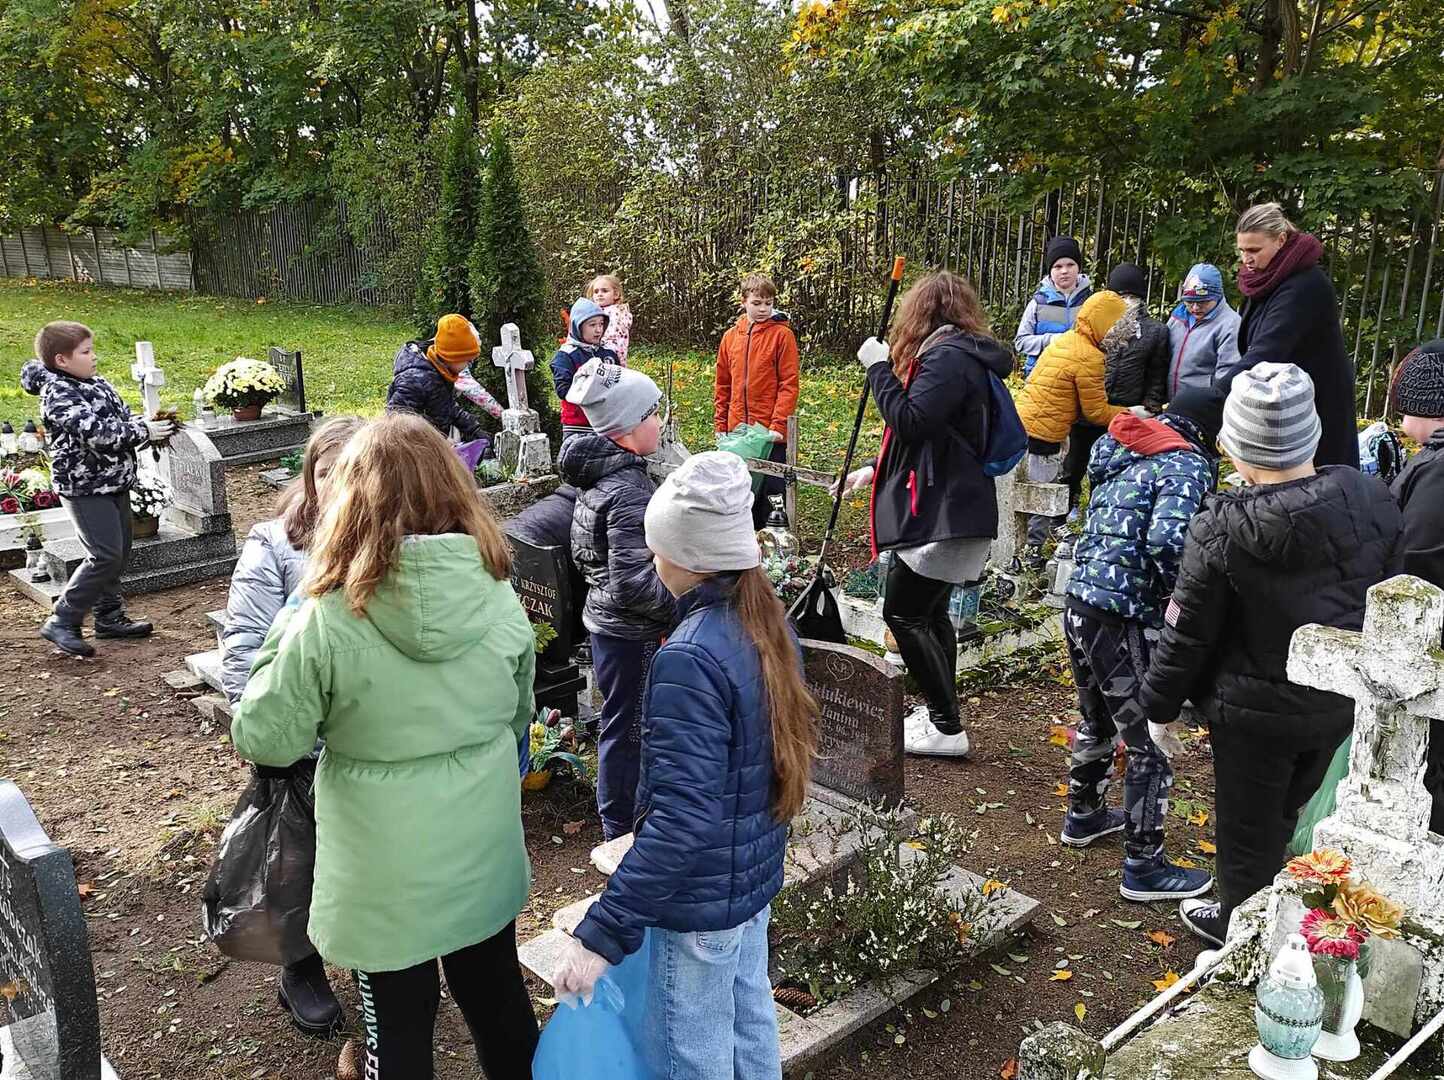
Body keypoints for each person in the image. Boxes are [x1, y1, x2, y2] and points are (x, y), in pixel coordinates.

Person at [230, 412, 539, 1080]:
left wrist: (291, 624)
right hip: (480, 846)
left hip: (382, 868)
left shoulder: (327, 614)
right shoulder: (497, 589)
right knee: (498, 1003)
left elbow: (265, 737)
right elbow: (519, 712)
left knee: (396, 1028)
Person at [552, 451, 818, 1080]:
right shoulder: (765, 622)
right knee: (751, 1023)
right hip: (747, 884)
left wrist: (599, 935)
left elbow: (682, 819)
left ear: (693, 559)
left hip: (698, 903)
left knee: (689, 1057)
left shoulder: (690, 658)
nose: (651, 560)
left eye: (657, 548)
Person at [1139, 364, 1401, 947]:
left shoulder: (1224, 528)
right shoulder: (1369, 498)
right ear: (1312, 436)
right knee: (1299, 805)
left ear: (1233, 446)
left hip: (1253, 716)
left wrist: (1158, 707)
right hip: (1338, 702)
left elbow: (1188, 630)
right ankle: (1295, 904)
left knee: (1245, 830)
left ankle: (1242, 930)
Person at [216, 417, 362, 1036]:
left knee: (362, 855)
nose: (337, 487)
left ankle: (370, 950)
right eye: (325, 473)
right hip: (301, 744)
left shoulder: (395, 538)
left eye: (351, 473)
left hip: (368, 739)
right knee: (297, 858)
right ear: (309, 476)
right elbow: (243, 653)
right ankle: (299, 965)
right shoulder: (276, 544)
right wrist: (294, 727)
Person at [1059, 386, 1224, 903]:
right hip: (1123, 616)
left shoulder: (1131, 450)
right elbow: (1169, 542)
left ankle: (1084, 814)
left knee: (1097, 720)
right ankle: (1144, 866)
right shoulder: (1185, 463)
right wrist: (1185, 604)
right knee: (1149, 736)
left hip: (1079, 605)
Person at [840, 271, 1013, 758]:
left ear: (921, 312)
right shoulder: (959, 354)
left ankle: (947, 726)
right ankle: (944, 712)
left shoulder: (948, 358)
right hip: (948, 504)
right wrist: (874, 469)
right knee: (930, 612)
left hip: (945, 513)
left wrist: (878, 369)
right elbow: (936, 436)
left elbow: (911, 422)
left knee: (903, 611)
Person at [558, 359, 677, 839]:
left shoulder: (603, 475)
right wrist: (681, 612)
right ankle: (622, 829)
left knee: (620, 721)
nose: (660, 422)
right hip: (631, 632)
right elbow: (631, 582)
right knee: (630, 728)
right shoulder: (629, 490)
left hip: (607, 623)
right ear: (628, 429)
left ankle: (622, 818)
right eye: (653, 414)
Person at [19, 321, 174, 657]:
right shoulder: (59, 392)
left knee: (117, 553)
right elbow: (100, 434)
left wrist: (145, 426)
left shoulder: (92, 382)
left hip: (113, 480)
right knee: (103, 555)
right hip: (84, 486)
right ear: (61, 360)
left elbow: (120, 418)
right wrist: (144, 430)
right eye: (86, 352)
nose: (94, 357)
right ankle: (62, 619)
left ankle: (108, 617)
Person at [1222, 202, 1359, 469]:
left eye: (1254, 250)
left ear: (1281, 240)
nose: (1246, 259)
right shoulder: (1263, 279)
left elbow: (1266, 351)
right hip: (1284, 402)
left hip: (1316, 406)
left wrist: (1205, 402)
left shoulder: (1305, 285)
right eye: (1241, 250)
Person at [1014, 291, 1132, 567]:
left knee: (1020, 486)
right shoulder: (1090, 357)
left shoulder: (1065, 339)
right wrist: (1130, 412)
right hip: (1045, 433)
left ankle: (1018, 545)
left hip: (1021, 421)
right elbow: (1096, 412)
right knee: (1042, 490)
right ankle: (1032, 550)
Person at [1384, 342, 1444, 834]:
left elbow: (1414, 562)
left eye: (1406, 408)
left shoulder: (1437, 472)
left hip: (1428, 642)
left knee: (1429, 770)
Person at [713, 273, 801, 528]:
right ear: (744, 302)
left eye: (768, 303)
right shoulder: (731, 337)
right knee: (741, 491)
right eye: (757, 303)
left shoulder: (782, 336)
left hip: (770, 431)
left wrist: (777, 424)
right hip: (738, 429)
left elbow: (788, 383)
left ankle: (774, 544)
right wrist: (721, 425)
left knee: (772, 492)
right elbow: (723, 384)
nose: (763, 309)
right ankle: (742, 544)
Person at [386, 314, 487, 443]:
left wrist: (474, 429)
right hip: (416, 450)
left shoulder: (440, 372)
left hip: (434, 443)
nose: (468, 365)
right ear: (453, 358)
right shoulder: (414, 381)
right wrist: (435, 443)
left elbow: (447, 406)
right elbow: (397, 423)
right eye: (467, 361)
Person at [1015, 236, 1094, 377]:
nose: (1064, 271)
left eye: (1070, 265)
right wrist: (1050, 340)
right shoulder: (1037, 303)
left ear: (1079, 267)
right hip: (1041, 378)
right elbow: (1021, 342)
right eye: (1058, 266)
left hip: (1079, 378)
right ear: (1050, 270)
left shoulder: (1091, 302)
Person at [1166, 263, 1241, 398]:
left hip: (1201, 406)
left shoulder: (1230, 324)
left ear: (1217, 297)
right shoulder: (1177, 318)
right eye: (1189, 302)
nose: (1195, 308)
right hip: (1168, 401)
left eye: (1203, 302)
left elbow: (1226, 375)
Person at [1103, 263, 1169, 414]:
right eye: (1121, 297)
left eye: (1132, 297)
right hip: (1094, 407)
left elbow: (1157, 376)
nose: (1126, 302)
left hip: (1131, 410)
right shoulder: (1097, 323)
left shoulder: (1156, 331)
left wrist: (1149, 408)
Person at [552, 298, 621, 440]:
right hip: (578, 425)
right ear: (578, 326)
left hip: (607, 423)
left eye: (601, 324)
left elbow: (620, 382)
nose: (598, 330)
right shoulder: (566, 355)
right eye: (592, 325)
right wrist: (591, 385)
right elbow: (563, 390)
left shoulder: (608, 353)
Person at [585, 274, 633, 365]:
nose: (599, 294)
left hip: (610, 357)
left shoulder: (616, 312)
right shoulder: (599, 312)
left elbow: (610, 335)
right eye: (596, 292)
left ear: (615, 294)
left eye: (604, 291)